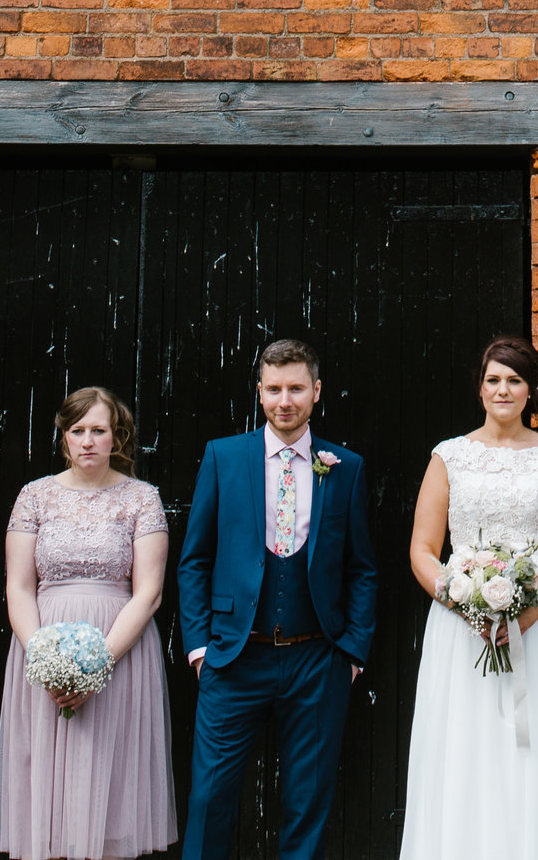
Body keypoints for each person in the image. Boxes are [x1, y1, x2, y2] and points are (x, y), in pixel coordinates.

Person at [397, 334, 538, 860]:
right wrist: (465, 601)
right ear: (479, 388)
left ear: (530, 390)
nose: (503, 389)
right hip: (461, 627)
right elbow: (423, 550)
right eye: (493, 379)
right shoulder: (448, 456)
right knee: (466, 749)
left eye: (514, 380)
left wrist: (534, 609)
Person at [177, 339, 378, 860]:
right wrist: (199, 646)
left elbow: (361, 568)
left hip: (318, 656)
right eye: (273, 389)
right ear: (260, 393)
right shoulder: (225, 456)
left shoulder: (346, 466)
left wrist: (352, 651)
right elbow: (195, 558)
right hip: (234, 656)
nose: (284, 400)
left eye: (295, 388)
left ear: (316, 392)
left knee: (307, 802)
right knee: (210, 797)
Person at [0, 387, 176, 860]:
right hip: (42, 652)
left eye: (99, 430)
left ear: (117, 436)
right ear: (64, 437)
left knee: (107, 784)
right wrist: (45, 658)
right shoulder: (34, 496)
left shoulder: (141, 498)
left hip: (119, 654)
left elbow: (148, 593)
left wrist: (96, 665)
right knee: (46, 788)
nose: (88, 440)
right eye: (78, 431)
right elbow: (18, 587)